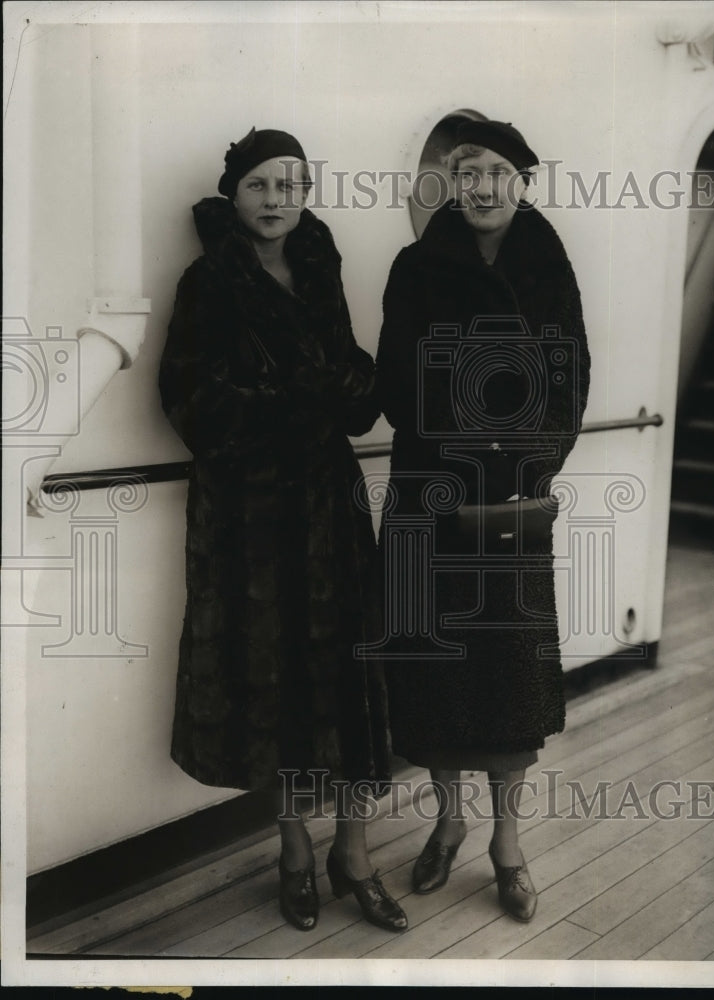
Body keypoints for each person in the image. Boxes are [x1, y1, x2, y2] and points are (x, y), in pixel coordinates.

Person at [159, 127, 407, 934]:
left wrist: (332, 384)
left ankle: (355, 852)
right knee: (285, 689)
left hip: (330, 503)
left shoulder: (319, 267)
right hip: (253, 519)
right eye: (262, 186)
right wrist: (312, 392)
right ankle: (296, 851)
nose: (279, 202)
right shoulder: (207, 283)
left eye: (292, 186)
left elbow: (356, 381)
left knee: (350, 679)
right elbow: (193, 404)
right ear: (233, 195)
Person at [375, 119, 590, 922]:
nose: (483, 186)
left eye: (499, 170)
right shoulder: (413, 264)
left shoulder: (546, 261)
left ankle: (507, 843)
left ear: (522, 179)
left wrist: (524, 465)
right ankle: (448, 824)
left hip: (511, 497)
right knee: (433, 673)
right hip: (428, 496)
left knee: (508, 677)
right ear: (449, 182)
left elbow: (569, 374)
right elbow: (400, 380)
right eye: (468, 171)